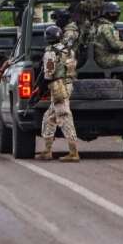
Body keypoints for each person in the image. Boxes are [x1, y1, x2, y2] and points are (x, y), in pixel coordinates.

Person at [37, 25, 82, 162]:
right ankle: (47, 151)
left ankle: (74, 153)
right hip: (68, 84)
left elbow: (49, 73)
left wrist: (40, 87)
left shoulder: (50, 53)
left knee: (64, 116)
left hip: (58, 87)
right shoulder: (69, 50)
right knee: (49, 117)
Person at [92, 2, 123, 99]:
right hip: (105, 59)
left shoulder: (99, 25)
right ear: (106, 13)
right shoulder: (106, 27)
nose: (115, 15)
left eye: (116, 13)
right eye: (112, 13)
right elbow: (114, 45)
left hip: (103, 55)